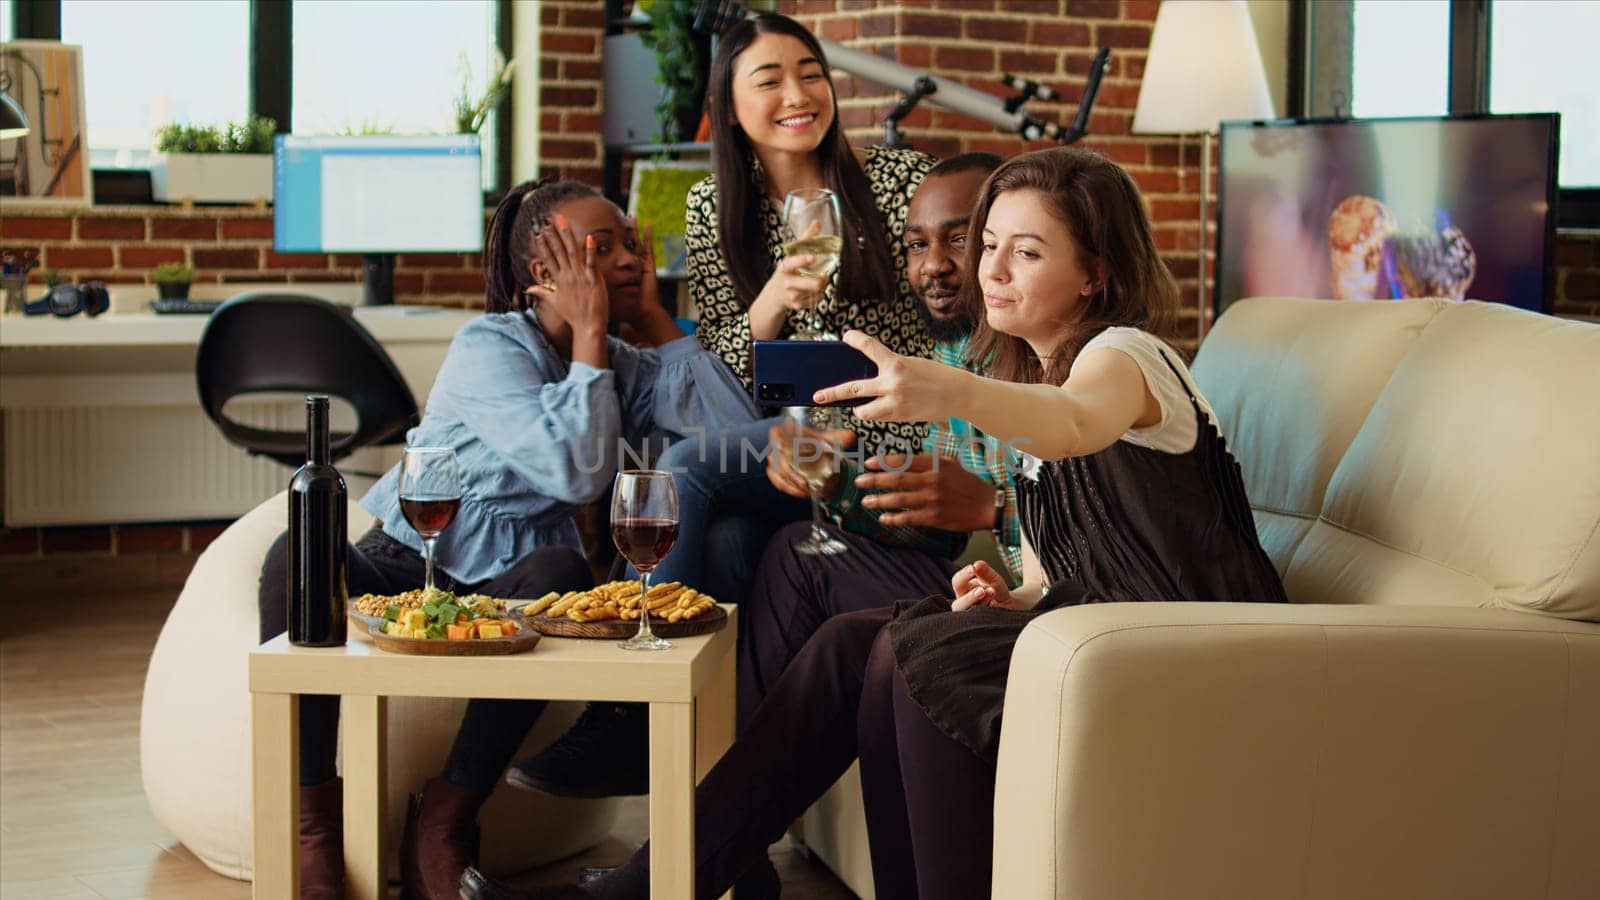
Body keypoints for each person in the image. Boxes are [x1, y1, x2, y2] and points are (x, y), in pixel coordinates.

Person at [460, 146, 1288, 900]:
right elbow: (1051, 569)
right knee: (856, 642)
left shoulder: (1124, 357)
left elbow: (1075, 422)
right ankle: (666, 879)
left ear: (1094, 275)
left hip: (1189, 645)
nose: (989, 268)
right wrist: (1010, 594)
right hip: (1105, 632)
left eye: (1026, 252)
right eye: (989, 243)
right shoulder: (1041, 380)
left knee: (905, 645)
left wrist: (943, 389)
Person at [256, 178, 757, 899]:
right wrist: (589, 337)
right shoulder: (487, 344)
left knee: (559, 568)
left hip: (514, 586)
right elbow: (573, 469)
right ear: (543, 273)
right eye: (600, 247)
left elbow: (732, 439)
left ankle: (445, 817)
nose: (624, 260)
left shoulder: (617, 356)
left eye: (629, 244)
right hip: (409, 566)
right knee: (295, 554)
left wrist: (650, 320)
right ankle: (313, 829)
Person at [510, 11, 937, 798]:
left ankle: (630, 712)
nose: (798, 93)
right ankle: (733, 855)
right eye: (768, 80)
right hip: (780, 433)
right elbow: (724, 372)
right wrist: (772, 302)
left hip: (884, 425)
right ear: (731, 107)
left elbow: (946, 315)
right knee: (736, 541)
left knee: (681, 469)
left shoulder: (895, 182)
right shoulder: (713, 209)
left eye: (810, 72)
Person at [743, 151, 1020, 723]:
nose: (933, 266)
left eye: (959, 240)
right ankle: (708, 783)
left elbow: (1097, 535)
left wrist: (995, 510)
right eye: (918, 245)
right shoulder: (949, 350)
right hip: (978, 585)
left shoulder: (1062, 364)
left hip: (1036, 611)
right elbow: (938, 532)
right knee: (792, 547)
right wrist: (832, 479)